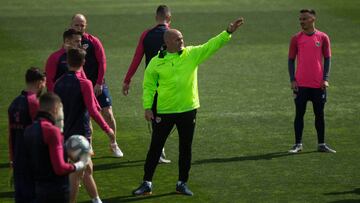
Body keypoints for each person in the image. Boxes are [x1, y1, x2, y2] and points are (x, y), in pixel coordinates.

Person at [132, 17, 244, 196]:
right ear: (167, 42)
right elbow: (149, 86)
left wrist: (228, 32)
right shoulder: (156, 62)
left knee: (186, 147)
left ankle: (182, 183)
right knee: (155, 146)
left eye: (182, 38)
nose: (182, 41)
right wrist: (147, 107)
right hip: (165, 111)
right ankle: (147, 183)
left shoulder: (191, 54)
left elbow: (210, 45)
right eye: (178, 39)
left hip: (188, 109)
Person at [54, 48, 114, 203]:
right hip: (80, 134)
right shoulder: (84, 83)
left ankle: (96, 199)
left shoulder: (58, 84)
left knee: (87, 169)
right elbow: (93, 111)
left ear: (67, 62)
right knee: (78, 173)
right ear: (83, 62)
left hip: (63, 133)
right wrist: (108, 130)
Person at [122, 5, 172, 164]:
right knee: (168, 117)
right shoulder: (173, 35)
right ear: (169, 18)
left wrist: (127, 80)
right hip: (170, 84)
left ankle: (159, 150)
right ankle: (159, 151)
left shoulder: (146, 35)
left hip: (152, 83)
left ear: (156, 17)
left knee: (155, 115)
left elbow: (137, 58)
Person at [70, 14, 123, 157]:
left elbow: (102, 62)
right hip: (80, 87)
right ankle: (89, 146)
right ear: (71, 25)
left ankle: (114, 144)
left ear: (85, 26)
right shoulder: (69, 45)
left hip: (97, 85)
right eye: (76, 25)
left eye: (82, 25)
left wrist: (99, 82)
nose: (79, 28)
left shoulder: (93, 41)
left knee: (108, 113)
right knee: (86, 118)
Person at [24, 92, 88, 203]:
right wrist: (81, 164)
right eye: (61, 110)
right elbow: (60, 168)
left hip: (36, 189)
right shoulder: (53, 132)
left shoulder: (29, 130)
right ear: (55, 109)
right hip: (55, 192)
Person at [288, 9, 336, 153]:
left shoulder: (323, 37)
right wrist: (292, 80)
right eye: (300, 19)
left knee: (319, 114)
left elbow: (327, 58)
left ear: (313, 19)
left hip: (318, 84)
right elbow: (291, 60)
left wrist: (325, 79)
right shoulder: (296, 38)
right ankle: (298, 144)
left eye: (305, 19)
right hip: (301, 85)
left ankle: (321, 144)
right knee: (299, 114)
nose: (301, 21)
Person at [8, 67, 45, 203]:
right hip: (32, 161)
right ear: (39, 83)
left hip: (18, 159)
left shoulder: (14, 103)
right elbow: (41, 133)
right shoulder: (34, 103)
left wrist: (12, 159)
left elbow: (11, 135)